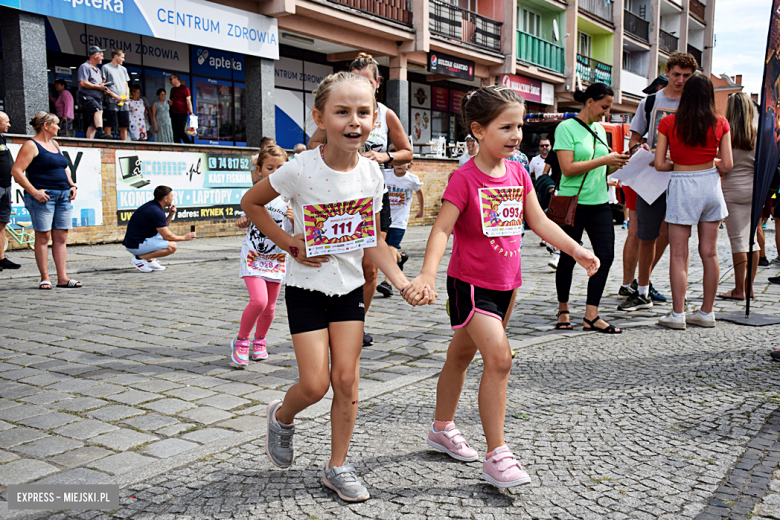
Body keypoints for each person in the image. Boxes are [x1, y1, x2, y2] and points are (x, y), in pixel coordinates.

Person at [402, 85, 600, 488]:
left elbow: (540, 221)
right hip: (470, 286)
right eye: (505, 127)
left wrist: (577, 250)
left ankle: (441, 428)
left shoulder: (518, 172)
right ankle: (498, 455)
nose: (516, 135)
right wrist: (426, 274)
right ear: (478, 130)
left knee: (459, 357)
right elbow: (441, 230)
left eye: (519, 126)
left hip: (508, 285)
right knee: (500, 358)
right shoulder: (464, 178)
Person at [241, 71, 418, 502]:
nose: (354, 121)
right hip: (305, 289)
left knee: (347, 381)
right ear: (320, 116)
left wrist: (403, 281)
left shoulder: (373, 176)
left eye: (363, 112)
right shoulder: (300, 168)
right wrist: (288, 243)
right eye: (342, 112)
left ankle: (337, 466)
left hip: (349, 291)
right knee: (315, 384)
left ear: (375, 119)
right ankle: (282, 417)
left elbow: (372, 241)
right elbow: (252, 203)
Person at [308, 53, 414, 347]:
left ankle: (358, 322)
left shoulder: (385, 113)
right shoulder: (342, 111)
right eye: (354, 80)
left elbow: (407, 151)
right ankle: (330, 320)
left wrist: (383, 156)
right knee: (338, 259)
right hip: (341, 192)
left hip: (375, 191)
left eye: (365, 81)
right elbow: (314, 142)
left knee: (369, 265)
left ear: (377, 83)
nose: (359, 87)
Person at [618, 52, 697, 312]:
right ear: (667, 71)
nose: (681, 80)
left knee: (679, 238)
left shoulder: (694, 103)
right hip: (651, 176)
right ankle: (641, 291)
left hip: (682, 177)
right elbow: (634, 137)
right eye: (676, 74)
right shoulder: (650, 102)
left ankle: (679, 294)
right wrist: (638, 148)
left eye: (686, 76)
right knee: (645, 234)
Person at [654, 74, 733, 329]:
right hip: (710, 185)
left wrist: (680, 162)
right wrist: (708, 163)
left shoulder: (668, 122)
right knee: (709, 253)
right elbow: (728, 164)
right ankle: (707, 313)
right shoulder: (721, 122)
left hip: (682, 185)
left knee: (678, 254)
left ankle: (678, 315)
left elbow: (659, 164)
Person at [553, 84, 629, 334]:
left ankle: (591, 315)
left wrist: (618, 163)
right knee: (568, 257)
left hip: (599, 202)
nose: (606, 113)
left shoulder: (599, 129)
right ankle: (563, 308)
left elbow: (602, 168)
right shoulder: (566, 127)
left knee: (604, 257)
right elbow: (568, 169)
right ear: (589, 102)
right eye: (604, 106)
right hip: (572, 202)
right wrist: (605, 159)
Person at [232, 145, 291, 367]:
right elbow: (247, 217)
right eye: (270, 167)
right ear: (259, 170)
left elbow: (297, 230)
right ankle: (241, 341)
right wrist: (242, 221)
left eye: (281, 167)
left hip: (276, 258)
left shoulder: (291, 196)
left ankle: (260, 341)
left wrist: (295, 219)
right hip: (254, 256)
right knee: (259, 301)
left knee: (270, 307)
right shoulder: (256, 193)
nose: (275, 172)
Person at [10, 112, 80, 288]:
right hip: (44, 197)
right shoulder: (31, 145)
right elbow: (17, 171)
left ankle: (62, 278)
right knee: (44, 236)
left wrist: (72, 185)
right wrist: (34, 192)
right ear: (46, 126)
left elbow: (62, 167)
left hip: (63, 195)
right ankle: (45, 277)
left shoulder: (54, 144)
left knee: (61, 236)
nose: (58, 127)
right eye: (56, 124)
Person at [719, 93, 759, 301]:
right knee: (752, 240)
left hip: (732, 191)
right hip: (754, 191)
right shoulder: (759, 134)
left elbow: (724, 166)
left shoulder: (728, 133)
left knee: (738, 242)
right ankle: (749, 287)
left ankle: (738, 289)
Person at [376, 161, 424, 297]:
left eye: (403, 162)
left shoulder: (411, 179)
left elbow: (419, 192)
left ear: (409, 163)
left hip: (400, 221)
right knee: (386, 249)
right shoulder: (386, 174)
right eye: (396, 162)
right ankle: (400, 259)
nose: (399, 165)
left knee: (390, 248)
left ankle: (387, 282)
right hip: (385, 219)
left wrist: (421, 210)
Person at [123, 186, 196, 272]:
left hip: (135, 242)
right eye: (171, 196)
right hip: (136, 245)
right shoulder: (156, 211)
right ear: (165, 198)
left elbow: (163, 227)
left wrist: (171, 215)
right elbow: (167, 236)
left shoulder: (153, 206)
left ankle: (149, 261)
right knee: (172, 246)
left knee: (160, 234)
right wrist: (184, 237)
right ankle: (139, 259)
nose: (173, 199)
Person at [0, 112, 21, 271]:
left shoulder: (2, 138)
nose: (9, 125)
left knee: (2, 222)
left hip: (6, 185)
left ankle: (1, 258)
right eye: (6, 122)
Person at [77, 46, 111, 140]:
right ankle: (101, 132)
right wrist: (98, 87)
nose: (103, 58)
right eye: (101, 55)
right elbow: (82, 82)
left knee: (93, 123)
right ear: (95, 55)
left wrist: (103, 89)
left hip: (97, 97)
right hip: (86, 95)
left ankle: (89, 142)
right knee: (98, 110)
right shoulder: (85, 67)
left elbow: (99, 85)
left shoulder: (98, 70)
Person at [102, 49, 131, 141]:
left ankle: (124, 144)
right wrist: (114, 96)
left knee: (124, 124)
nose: (123, 59)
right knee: (110, 123)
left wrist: (127, 95)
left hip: (123, 101)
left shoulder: (123, 69)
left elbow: (126, 84)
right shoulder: (106, 67)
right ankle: (108, 144)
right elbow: (103, 85)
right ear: (116, 56)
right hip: (112, 100)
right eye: (122, 57)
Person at [168, 73, 193, 144]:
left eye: (170, 79)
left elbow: (188, 101)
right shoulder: (172, 89)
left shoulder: (185, 88)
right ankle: (177, 149)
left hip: (182, 113)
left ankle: (190, 146)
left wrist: (191, 112)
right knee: (175, 133)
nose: (170, 81)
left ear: (176, 78)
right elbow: (171, 100)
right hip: (173, 113)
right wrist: (170, 102)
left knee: (180, 131)